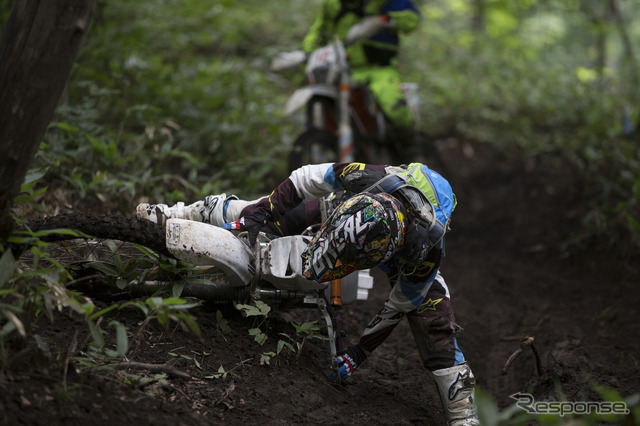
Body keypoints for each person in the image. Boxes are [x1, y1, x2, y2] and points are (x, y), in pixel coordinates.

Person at [136, 162, 479, 426]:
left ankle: (462, 411)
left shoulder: (424, 255)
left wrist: (359, 354)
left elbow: (398, 306)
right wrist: (260, 214)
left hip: (400, 241)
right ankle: (181, 213)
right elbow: (303, 179)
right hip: (354, 208)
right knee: (261, 214)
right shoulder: (361, 176)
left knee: (434, 320)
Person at [301, 0, 420, 142]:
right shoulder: (333, 4)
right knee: (320, 99)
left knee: (392, 104)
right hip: (341, 69)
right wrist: (309, 53)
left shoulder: (385, 2)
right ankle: (318, 146)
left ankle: (409, 142)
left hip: (379, 69)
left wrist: (387, 20)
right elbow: (318, 32)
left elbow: (412, 20)